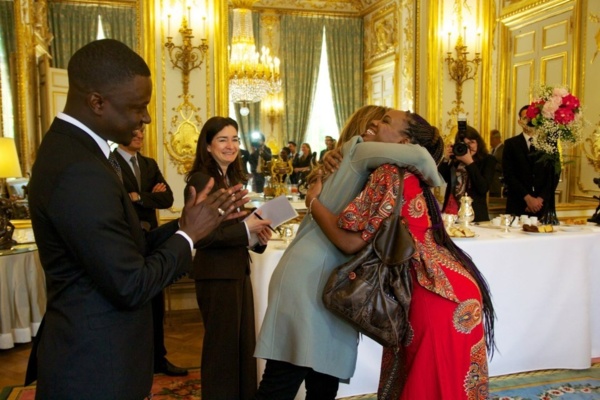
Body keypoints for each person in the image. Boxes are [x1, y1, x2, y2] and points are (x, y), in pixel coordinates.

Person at [25, 39, 249, 400]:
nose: (145, 118)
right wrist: (188, 237)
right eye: (138, 107)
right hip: (94, 366)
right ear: (97, 102)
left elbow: (128, 248)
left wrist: (186, 226)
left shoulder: (78, 152)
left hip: (99, 357)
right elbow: (131, 284)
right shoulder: (78, 169)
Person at [254, 106, 444, 399]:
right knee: (283, 379)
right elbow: (422, 157)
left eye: (384, 122)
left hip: (330, 276)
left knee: (322, 381)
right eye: (375, 121)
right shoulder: (359, 151)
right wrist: (436, 186)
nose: (376, 127)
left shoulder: (367, 164)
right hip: (311, 275)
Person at [307, 111, 495, 399]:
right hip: (455, 290)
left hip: (432, 296)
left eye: (384, 122)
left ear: (403, 140)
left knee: (426, 385)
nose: (375, 124)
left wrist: (314, 203)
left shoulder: (387, 173)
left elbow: (348, 240)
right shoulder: (412, 172)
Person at [185, 116, 273, 400]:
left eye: (235, 139)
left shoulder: (231, 179)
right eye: (223, 139)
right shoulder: (202, 180)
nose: (231, 145)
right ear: (208, 146)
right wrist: (246, 228)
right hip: (216, 274)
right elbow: (202, 236)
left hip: (236, 270)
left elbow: (234, 230)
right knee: (222, 352)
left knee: (242, 348)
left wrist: (256, 236)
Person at [113, 124, 187, 376]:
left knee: (156, 303)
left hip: (152, 240)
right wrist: (139, 197)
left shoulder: (149, 163)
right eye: (134, 131)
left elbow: (167, 199)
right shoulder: (110, 162)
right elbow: (118, 201)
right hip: (127, 242)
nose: (139, 135)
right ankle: (132, 362)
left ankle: (159, 359)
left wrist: (138, 197)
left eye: (142, 132)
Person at [502, 105, 560, 217]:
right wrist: (528, 198)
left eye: (533, 117)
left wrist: (539, 199)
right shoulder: (511, 144)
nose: (530, 120)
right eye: (526, 117)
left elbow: (554, 174)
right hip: (518, 204)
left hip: (543, 206)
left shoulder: (549, 143)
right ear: (520, 121)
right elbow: (509, 175)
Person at [438, 125, 497, 222]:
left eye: (471, 142)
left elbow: (483, 188)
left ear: (478, 142)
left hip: (475, 215)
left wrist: (469, 162)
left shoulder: (488, 160)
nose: (469, 147)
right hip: (452, 214)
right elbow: (439, 179)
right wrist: (445, 159)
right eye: (465, 144)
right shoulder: (456, 160)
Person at [489, 129, 504, 197]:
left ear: (496, 138)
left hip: (498, 184)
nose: (490, 141)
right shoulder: (492, 150)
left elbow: (504, 166)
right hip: (491, 185)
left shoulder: (503, 149)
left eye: (491, 139)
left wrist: (492, 165)